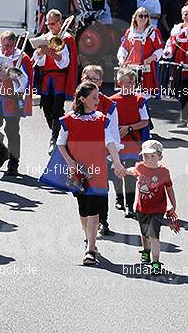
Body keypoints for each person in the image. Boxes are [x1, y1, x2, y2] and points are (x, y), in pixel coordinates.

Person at [53, 82, 125, 266]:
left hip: (98, 172)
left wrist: (117, 164)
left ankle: (90, 249)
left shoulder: (101, 119)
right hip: (77, 172)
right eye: (94, 97)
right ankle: (88, 238)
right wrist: (70, 162)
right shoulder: (69, 119)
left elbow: (110, 143)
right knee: (83, 209)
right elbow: (60, 143)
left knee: (94, 209)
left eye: (99, 96)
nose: (98, 100)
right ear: (82, 99)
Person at [0, 30, 34, 176]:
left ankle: (13, 164)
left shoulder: (22, 57)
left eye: (10, 46)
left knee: (12, 132)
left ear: (15, 44)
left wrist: (11, 74)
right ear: (0, 44)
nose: (7, 49)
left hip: (12, 99)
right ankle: (2, 152)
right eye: (4, 46)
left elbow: (25, 81)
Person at [80, 65, 121, 236]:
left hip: (101, 155)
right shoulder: (78, 101)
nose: (89, 82)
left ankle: (103, 220)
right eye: (87, 78)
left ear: (101, 82)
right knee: (83, 192)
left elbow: (112, 135)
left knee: (101, 189)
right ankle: (88, 224)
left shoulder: (110, 105)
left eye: (94, 79)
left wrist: (112, 159)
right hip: (81, 156)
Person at [127, 139, 176, 276]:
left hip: (158, 209)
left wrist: (173, 204)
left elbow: (169, 188)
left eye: (152, 156)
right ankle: (146, 251)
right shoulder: (140, 167)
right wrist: (122, 170)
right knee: (144, 233)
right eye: (145, 156)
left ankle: (156, 262)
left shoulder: (164, 172)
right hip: (141, 208)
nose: (148, 159)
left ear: (160, 156)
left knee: (154, 235)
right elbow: (133, 170)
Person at [33, 9, 79, 154]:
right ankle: (59, 134)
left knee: (56, 111)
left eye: (52, 23)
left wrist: (49, 52)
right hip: (47, 79)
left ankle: (54, 140)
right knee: (47, 111)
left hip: (60, 78)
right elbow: (38, 63)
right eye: (48, 23)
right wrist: (40, 53)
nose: (50, 26)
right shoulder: (45, 37)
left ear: (59, 22)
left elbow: (65, 62)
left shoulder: (66, 38)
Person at [111, 68, 151, 218]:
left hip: (133, 142)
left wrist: (129, 128)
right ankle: (119, 198)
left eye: (134, 82)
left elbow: (145, 121)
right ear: (120, 83)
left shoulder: (139, 99)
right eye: (130, 82)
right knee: (115, 172)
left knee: (129, 173)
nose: (133, 85)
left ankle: (129, 206)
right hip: (115, 143)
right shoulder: (112, 100)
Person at [117, 7, 164, 97]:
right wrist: (121, 59)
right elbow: (123, 48)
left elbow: (160, 49)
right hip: (131, 68)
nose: (143, 18)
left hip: (146, 69)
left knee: (144, 97)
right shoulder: (129, 32)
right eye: (141, 16)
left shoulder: (153, 32)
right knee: (130, 95)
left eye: (146, 16)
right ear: (135, 17)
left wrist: (150, 58)